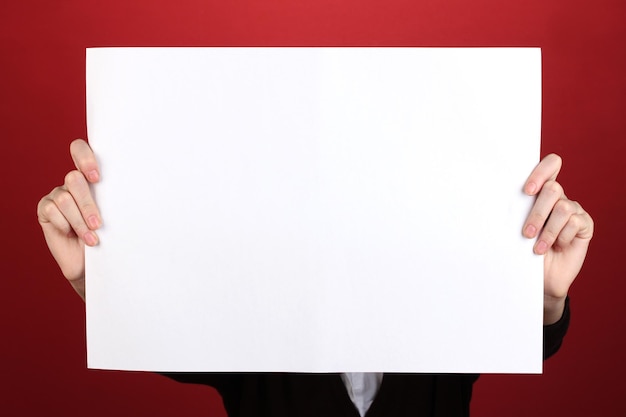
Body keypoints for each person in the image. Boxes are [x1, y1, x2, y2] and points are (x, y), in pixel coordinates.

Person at [37, 139, 594, 417]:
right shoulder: (249, 308)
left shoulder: (446, 280)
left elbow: (526, 338)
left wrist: (543, 295)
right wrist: (98, 277)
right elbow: (164, 332)